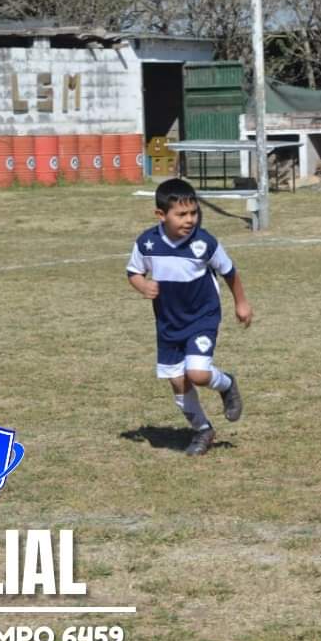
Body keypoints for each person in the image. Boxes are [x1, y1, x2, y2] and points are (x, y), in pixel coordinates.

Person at [127, 178, 253, 456]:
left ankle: (227, 384)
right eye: (181, 214)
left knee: (197, 373)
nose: (189, 220)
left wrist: (241, 303)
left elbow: (230, 272)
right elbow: (133, 272)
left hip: (202, 317)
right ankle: (203, 430)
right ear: (161, 215)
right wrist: (142, 285)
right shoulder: (147, 243)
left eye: (193, 213)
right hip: (168, 323)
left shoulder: (204, 242)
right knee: (178, 383)